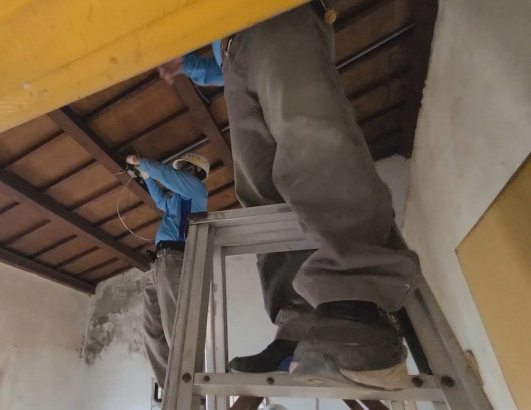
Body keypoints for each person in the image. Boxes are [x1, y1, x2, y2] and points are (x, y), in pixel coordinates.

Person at [158, 1, 419, 390]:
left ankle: (359, 307)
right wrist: (191, 66)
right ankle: (299, 325)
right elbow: (223, 68)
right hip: (231, 51)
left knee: (309, 133)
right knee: (262, 197)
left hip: (273, 9)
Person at [126, 152, 209, 388]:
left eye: (185, 167)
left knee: (175, 324)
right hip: (160, 262)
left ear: (196, 172)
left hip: (175, 258)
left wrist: (141, 163)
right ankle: (170, 387)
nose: (180, 170)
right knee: (152, 329)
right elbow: (160, 200)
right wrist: (147, 177)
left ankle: (191, 389)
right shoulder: (178, 199)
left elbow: (166, 175)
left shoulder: (196, 190)